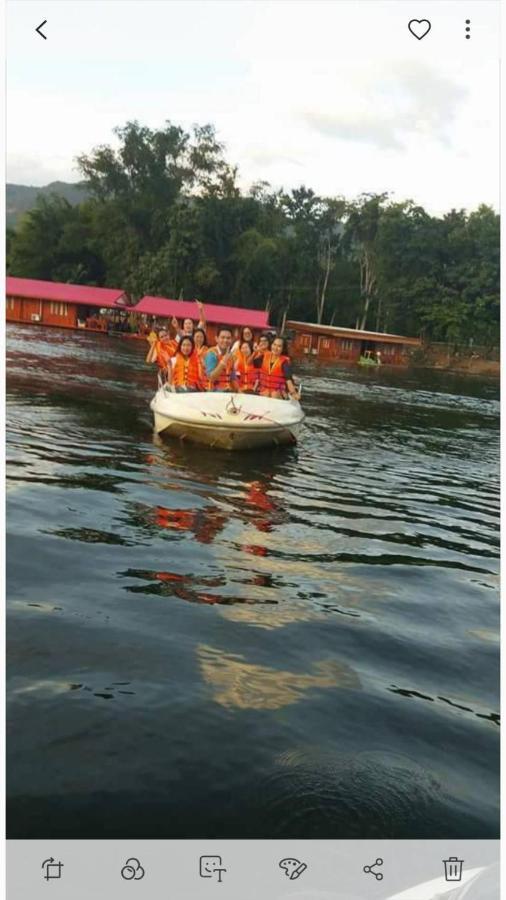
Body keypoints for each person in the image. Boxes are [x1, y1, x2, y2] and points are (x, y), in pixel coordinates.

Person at [204, 327, 237, 391]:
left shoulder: (231, 356)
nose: (225, 340)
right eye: (222, 337)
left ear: (231, 340)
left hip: (227, 392)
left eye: (228, 338)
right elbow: (211, 377)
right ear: (216, 339)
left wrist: (239, 392)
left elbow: (233, 378)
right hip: (213, 393)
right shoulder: (211, 353)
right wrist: (223, 362)